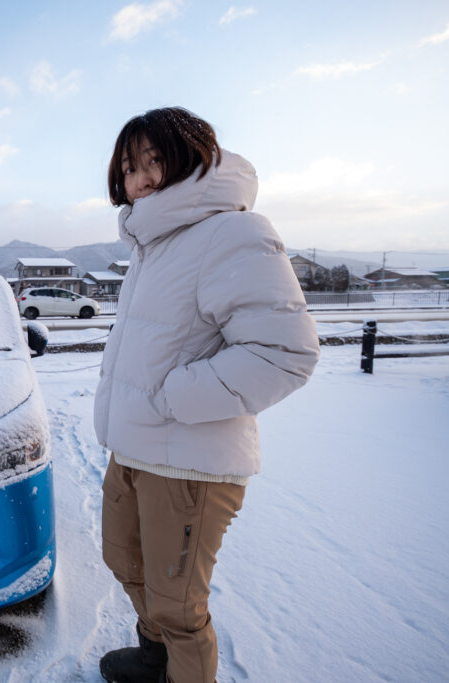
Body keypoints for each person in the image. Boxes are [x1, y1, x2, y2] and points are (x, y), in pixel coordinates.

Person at [94, 107, 320, 683]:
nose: (140, 177)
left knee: (179, 603)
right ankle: (155, 658)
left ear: (192, 152)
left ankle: (183, 668)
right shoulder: (154, 245)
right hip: (136, 449)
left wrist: (174, 398)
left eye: (153, 159)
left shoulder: (232, 231)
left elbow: (284, 353)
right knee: (125, 561)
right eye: (128, 166)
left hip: (191, 462)